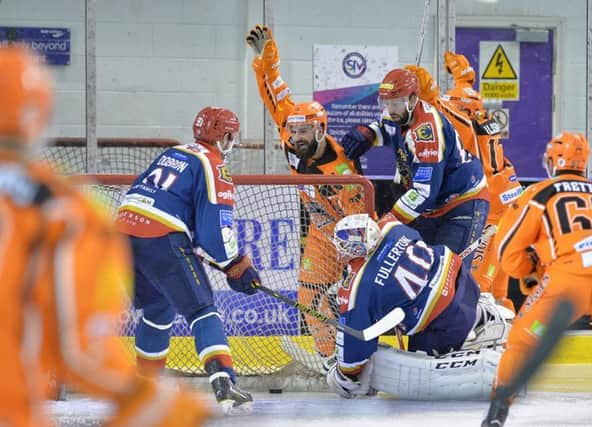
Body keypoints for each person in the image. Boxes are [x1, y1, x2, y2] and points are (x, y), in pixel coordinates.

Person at [0, 46, 211, 426]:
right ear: (38, 117)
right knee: (192, 310)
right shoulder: (63, 211)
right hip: (13, 411)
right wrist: (144, 398)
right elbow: (79, 349)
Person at [482, 132, 592, 426]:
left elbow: (507, 248)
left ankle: (497, 412)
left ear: (553, 161)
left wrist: (529, 270)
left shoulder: (541, 192)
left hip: (569, 279)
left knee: (522, 343)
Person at [116, 106, 259, 413]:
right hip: (160, 236)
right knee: (202, 310)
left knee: (157, 307)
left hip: (123, 234)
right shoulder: (214, 164)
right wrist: (236, 264)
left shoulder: (174, 152)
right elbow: (214, 233)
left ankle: (145, 386)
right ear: (226, 136)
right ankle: (224, 381)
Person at [246, 24, 363, 366]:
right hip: (318, 233)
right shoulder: (290, 132)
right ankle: (329, 362)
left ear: (321, 129)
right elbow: (273, 92)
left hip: (348, 240)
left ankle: (356, 358)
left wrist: (349, 268)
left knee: (349, 303)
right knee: (309, 298)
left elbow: (358, 223)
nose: (295, 136)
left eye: (304, 131)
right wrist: (266, 59)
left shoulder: (343, 172)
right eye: (293, 130)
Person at [326, 213, 511, 400]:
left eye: (343, 244)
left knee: (416, 368)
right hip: (465, 282)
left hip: (445, 321)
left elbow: (354, 353)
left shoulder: (358, 289)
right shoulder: (393, 228)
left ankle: (470, 347)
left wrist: (344, 374)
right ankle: (480, 317)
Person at [403, 53, 523, 313]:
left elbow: (439, 106)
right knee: (498, 290)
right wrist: (462, 73)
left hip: (492, 211)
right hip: (507, 204)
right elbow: (464, 89)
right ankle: (505, 347)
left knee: (478, 286)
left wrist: (422, 88)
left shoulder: (455, 124)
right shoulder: (476, 112)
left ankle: (481, 345)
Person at [339, 68, 489, 270]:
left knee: (448, 273)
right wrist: (369, 133)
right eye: (386, 103)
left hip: (463, 202)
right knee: (420, 272)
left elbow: (423, 191)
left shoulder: (426, 133)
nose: (390, 109)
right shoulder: (397, 114)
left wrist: (387, 223)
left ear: (412, 100)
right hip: (433, 207)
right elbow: (387, 128)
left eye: (396, 103)